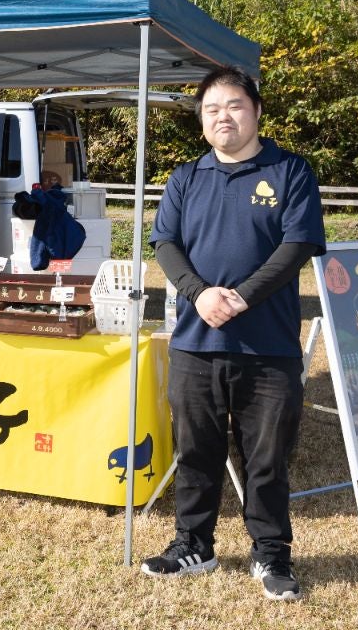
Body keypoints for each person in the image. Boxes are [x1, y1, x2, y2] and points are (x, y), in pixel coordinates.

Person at [140, 65, 325, 601]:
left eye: (235, 105)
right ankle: (193, 544)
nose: (224, 116)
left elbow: (297, 247)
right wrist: (199, 293)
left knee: (266, 457)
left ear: (257, 111)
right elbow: (166, 245)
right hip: (196, 342)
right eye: (212, 109)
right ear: (202, 120)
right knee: (195, 450)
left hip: (267, 347)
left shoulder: (290, 172)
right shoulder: (185, 178)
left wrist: (240, 296)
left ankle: (271, 554)